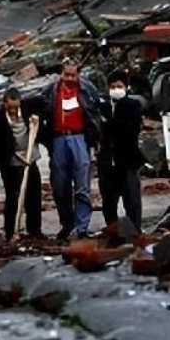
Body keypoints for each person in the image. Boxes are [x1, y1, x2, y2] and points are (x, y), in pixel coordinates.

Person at [38, 58, 102, 240]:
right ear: (61, 73)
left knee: (82, 185)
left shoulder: (87, 89)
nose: (70, 78)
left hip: (79, 137)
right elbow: (41, 109)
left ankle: (82, 227)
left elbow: (95, 111)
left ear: (78, 74)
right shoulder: (51, 90)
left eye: (73, 75)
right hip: (58, 138)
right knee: (60, 185)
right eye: (67, 74)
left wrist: (96, 139)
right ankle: (67, 224)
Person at [0, 88, 43, 240]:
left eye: (16, 106)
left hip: (30, 159)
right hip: (10, 164)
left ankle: (35, 230)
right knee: (13, 197)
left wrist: (37, 120)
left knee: (33, 196)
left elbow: (43, 104)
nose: (13, 110)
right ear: (4, 104)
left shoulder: (27, 111)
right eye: (10, 107)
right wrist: (10, 157)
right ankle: (11, 231)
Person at [99, 69, 145, 232]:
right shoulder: (102, 106)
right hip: (107, 162)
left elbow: (129, 130)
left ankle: (135, 231)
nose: (116, 89)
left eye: (119, 86)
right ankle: (113, 230)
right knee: (109, 201)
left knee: (131, 199)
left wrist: (110, 124)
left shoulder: (133, 105)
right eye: (112, 86)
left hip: (128, 160)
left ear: (126, 88)